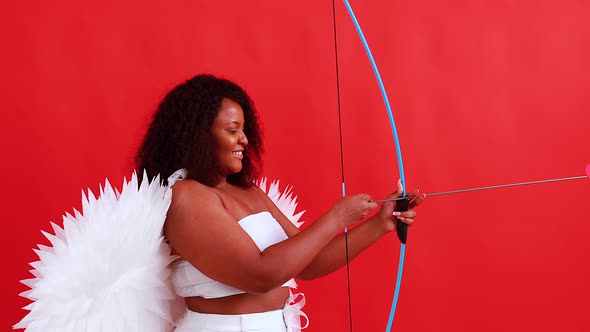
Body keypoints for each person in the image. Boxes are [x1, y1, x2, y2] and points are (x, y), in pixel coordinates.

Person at [135, 73, 425, 332]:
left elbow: (308, 263)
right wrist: (335, 217)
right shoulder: (186, 194)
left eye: (244, 130)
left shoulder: (248, 190)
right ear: (198, 135)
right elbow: (259, 275)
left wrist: (379, 223)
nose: (245, 140)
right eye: (232, 130)